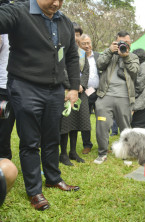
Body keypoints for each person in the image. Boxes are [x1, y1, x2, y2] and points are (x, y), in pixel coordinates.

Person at [0, 0, 80, 211]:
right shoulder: (18, 11)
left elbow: (71, 55)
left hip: (54, 89)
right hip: (25, 86)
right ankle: (35, 191)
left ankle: (53, 177)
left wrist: (73, 87)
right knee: (30, 141)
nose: (57, 3)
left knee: (52, 136)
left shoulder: (65, 22)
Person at [94, 31, 139, 164]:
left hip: (124, 97)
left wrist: (125, 57)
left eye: (126, 42)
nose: (123, 45)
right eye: (121, 42)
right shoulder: (108, 54)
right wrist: (109, 51)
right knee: (102, 125)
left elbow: (135, 71)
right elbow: (99, 65)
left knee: (125, 126)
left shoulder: (133, 57)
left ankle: (126, 154)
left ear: (130, 43)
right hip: (105, 95)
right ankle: (102, 153)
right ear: (116, 42)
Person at [59, 23, 90, 166]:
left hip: (79, 92)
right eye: (74, 33)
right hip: (66, 91)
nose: (76, 37)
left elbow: (86, 71)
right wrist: (72, 85)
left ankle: (73, 151)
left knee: (76, 123)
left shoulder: (82, 53)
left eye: (78, 34)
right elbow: (61, 70)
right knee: (65, 124)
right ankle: (63, 153)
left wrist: (81, 85)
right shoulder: (61, 49)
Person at [79, 34, 101, 155]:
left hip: (99, 91)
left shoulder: (99, 56)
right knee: (85, 120)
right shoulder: (78, 58)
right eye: (84, 44)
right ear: (79, 45)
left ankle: (102, 144)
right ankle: (87, 144)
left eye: (88, 43)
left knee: (102, 119)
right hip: (85, 92)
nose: (87, 46)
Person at [0, 34, 15, 160]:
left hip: (25, 87)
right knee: (3, 129)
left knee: (30, 131)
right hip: (3, 86)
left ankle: (31, 164)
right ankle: (4, 160)